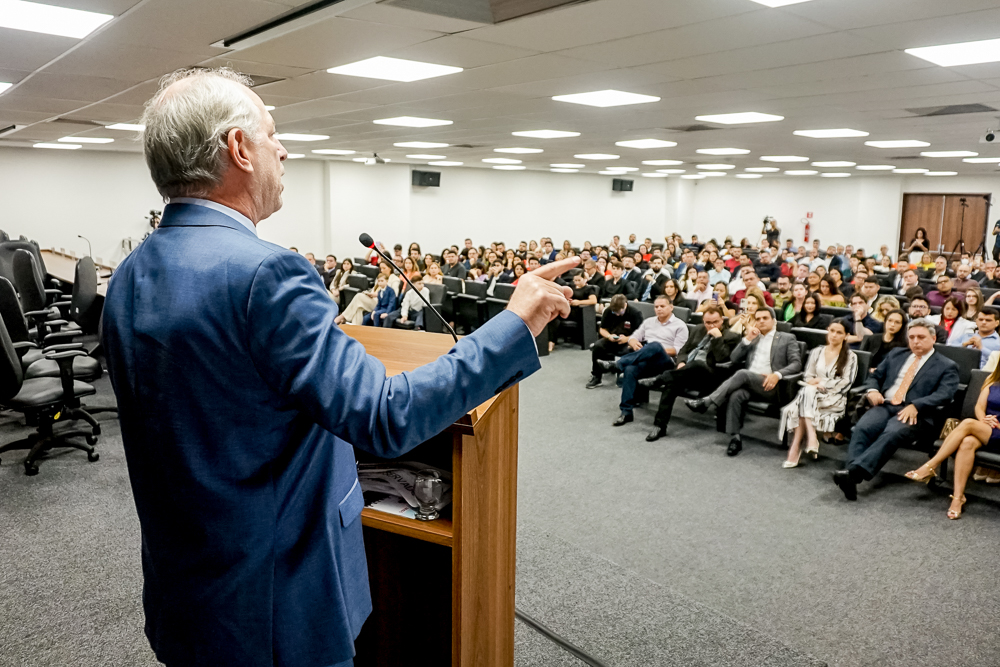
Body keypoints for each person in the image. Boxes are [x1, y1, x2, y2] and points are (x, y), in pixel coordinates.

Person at [102, 67, 578, 667]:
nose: (283, 149)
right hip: (275, 607)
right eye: (272, 133)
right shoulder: (266, 274)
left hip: (187, 591)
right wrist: (515, 325)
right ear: (239, 148)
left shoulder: (131, 272)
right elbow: (386, 416)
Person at [832, 319, 960, 501]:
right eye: (912, 337)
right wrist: (873, 390)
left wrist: (917, 405)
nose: (915, 341)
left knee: (892, 432)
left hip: (916, 413)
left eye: (921, 337)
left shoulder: (946, 365)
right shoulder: (896, 354)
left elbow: (945, 394)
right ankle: (851, 477)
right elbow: (875, 376)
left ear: (933, 339)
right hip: (886, 404)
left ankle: (853, 474)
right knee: (863, 428)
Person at [684, 307, 802, 456]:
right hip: (750, 383)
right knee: (736, 395)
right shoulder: (754, 338)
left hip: (772, 386)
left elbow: (796, 364)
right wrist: (747, 339)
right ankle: (735, 438)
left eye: (765, 318)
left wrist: (777, 375)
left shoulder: (787, 338)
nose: (761, 321)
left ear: (774, 321)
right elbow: (734, 358)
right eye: (758, 319)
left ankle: (707, 401)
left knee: (742, 374)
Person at [905, 359, 1000, 518]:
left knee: (968, 423)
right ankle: (958, 497)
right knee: (967, 443)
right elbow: (979, 407)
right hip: (986, 428)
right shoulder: (992, 379)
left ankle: (931, 465)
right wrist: (983, 419)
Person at [640, 306, 739, 441]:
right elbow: (684, 350)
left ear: (722, 320)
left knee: (697, 364)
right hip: (688, 372)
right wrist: (681, 362)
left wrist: (718, 338)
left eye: (715, 322)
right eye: (708, 322)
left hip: (710, 376)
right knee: (671, 385)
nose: (711, 326)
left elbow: (722, 358)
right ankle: (660, 426)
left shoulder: (732, 336)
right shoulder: (698, 329)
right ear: (703, 321)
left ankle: (658, 380)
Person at [596, 295, 689, 425]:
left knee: (655, 345)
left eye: (662, 306)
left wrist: (656, 349)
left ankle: (618, 364)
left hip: (666, 362)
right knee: (630, 369)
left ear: (671, 307)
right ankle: (626, 412)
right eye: (656, 306)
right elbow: (634, 337)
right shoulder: (649, 322)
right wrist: (633, 342)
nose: (659, 309)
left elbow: (678, 350)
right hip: (647, 359)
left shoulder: (680, 326)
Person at [779, 320, 857, 467]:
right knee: (808, 390)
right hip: (812, 396)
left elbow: (846, 383)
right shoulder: (817, 351)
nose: (834, 335)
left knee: (805, 395)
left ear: (846, 336)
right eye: (832, 331)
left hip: (833, 398)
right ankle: (810, 438)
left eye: (839, 332)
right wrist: (813, 383)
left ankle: (797, 448)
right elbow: (808, 376)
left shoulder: (851, 356)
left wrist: (822, 382)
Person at [587, 294, 644, 389]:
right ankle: (596, 377)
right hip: (612, 339)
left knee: (629, 350)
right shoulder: (609, 311)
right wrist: (609, 336)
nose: (617, 314)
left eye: (619, 312)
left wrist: (627, 338)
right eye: (615, 312)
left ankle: (623, 376)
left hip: (629, 341)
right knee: (597, 346)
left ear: (625, 305)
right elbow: (602, 329)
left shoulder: (635, 313)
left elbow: (642, 334)